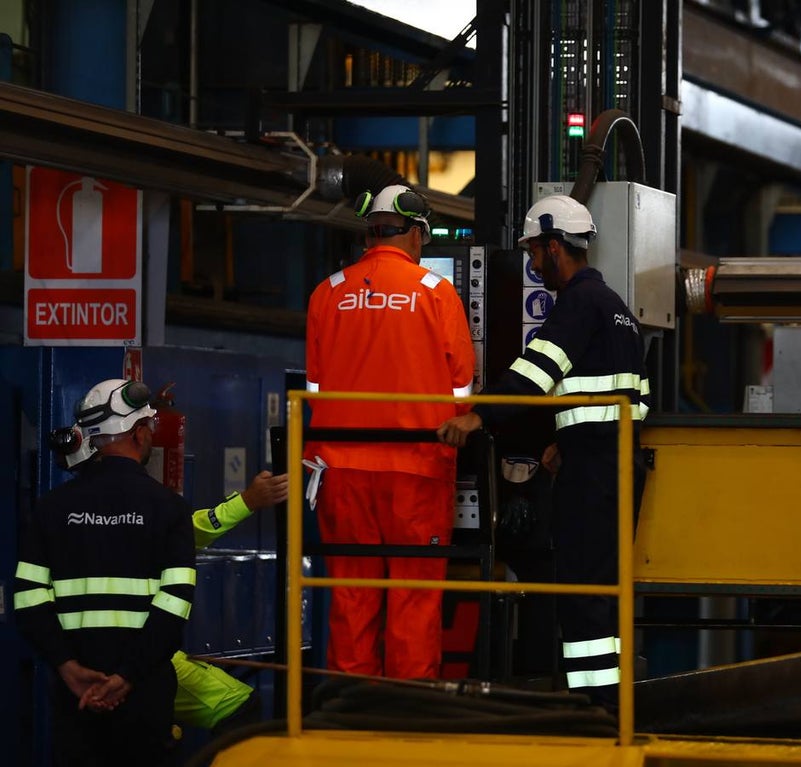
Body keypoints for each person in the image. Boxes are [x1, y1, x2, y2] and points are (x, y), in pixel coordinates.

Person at [437, 194, 650, 712]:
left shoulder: (577, 303)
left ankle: (591, 712)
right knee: (603, 592)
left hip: (592, 476)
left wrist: (477, 415)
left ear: (556, 246)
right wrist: (568, 439)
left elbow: (535, 373)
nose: (532, 264)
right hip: (617, 465)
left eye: (534, 252)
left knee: (580, 598)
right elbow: (631, 399)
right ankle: (611, 707)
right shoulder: (617, 308)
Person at [305, 183, 476, 678]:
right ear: (417, 234)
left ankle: (349, 712)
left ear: (370, 233)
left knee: (352, 596)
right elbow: (463, 383)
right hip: (416, 470)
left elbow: (314, 384)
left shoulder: (327, 292)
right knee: (414, 596)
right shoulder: (435, 293)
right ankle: (408, 716)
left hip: (340, 471)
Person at [50, 424, 287, 733]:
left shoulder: (54, 510)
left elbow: (30, 600)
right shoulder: (155, 506)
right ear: (134, 437)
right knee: (240, 707)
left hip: (76, 667)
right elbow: (191, 534)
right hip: (140, 662)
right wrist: (246, 502)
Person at [14, 379, 196, 766]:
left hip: (74, 695)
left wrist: (68, 668)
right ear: (140, 433)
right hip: (145, 693)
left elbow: (28, 599)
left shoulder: (51, 508)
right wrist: (126, 677)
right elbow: (175, 605)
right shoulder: (169, 508)